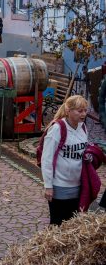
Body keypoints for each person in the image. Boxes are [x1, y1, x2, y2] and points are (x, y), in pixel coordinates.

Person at [41, 95, 90, 225]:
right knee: (58, 224)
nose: (83, 114)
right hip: (60, 186)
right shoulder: (57, 129)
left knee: (72, 225)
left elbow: (83, 152)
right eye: (79, 111)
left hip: (78, 186)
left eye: (85, 110)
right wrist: (48, 186)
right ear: (68, 111)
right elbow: (47, 159)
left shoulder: (83, 128)